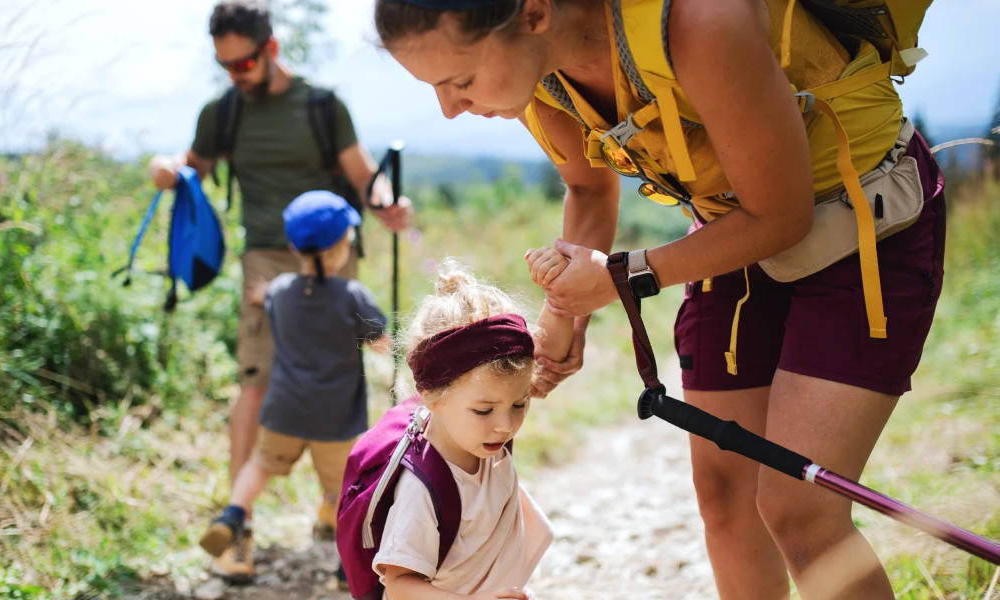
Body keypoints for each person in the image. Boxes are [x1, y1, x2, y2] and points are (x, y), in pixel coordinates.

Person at [373, 1, 946, 598]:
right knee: (725, 495)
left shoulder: (699, 20)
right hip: (730, 231)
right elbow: (587, 188)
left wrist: (624, 276)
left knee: (798, 507)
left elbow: (782, 215)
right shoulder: (540, 70)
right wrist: (563, 316)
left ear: (534, 13)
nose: (449, 108)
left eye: (461, 80)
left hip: (865, 221)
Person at [148, 0, 411, 578]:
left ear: (271, 48)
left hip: (335, 257)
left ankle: (336, 504)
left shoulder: (321, 105)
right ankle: (238, 528)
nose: (235, 75)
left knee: (339, 375)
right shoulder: (223, 111)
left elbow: (363, 172)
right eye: (224, 66)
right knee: (257, 383)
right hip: (265, 260)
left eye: (243, 63)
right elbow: (193, 166)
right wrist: (166, 167)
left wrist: (387, 203)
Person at [199, 191, 392, 582]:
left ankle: (233, 513)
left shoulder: (281, 290)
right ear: (344, 246)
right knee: (344, 490)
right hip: (336, 419)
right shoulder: (353, 296)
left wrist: (261, 294)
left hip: (284, 410)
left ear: (292, 247)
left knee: (260, 465)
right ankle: (346, 567)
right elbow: (382, 342)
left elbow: (266, 294)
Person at [372, 262, 556, 600]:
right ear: (431, 395)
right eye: (484, 410)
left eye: (519, 404)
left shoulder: (487, 445)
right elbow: (398, 586)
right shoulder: (422, 489)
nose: (506, 426)